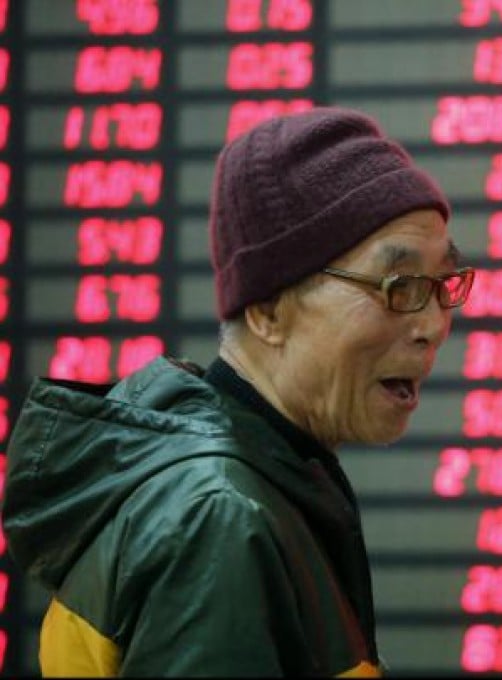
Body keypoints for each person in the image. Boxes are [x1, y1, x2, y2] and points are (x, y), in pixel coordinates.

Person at [1, 107, 474, 676]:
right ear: (267, 309)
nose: (432, 325)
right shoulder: (219, 515)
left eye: (443, 284)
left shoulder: (255, 479)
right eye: (399, 284)